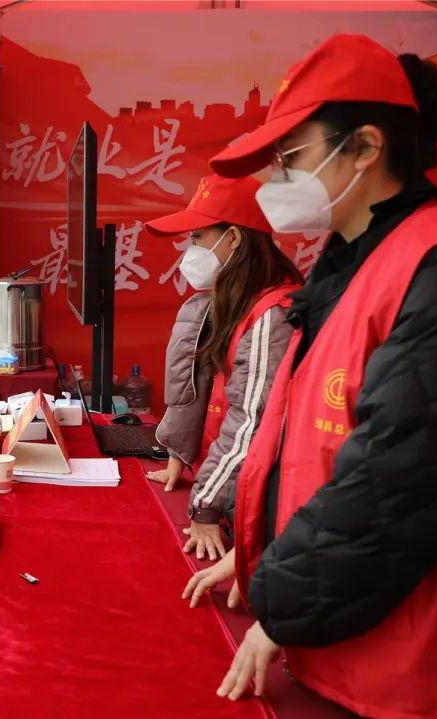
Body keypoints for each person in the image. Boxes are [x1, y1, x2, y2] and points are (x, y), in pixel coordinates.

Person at [183, 35, 437, 718]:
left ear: (367, 147)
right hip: (354, 640)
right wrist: (258, 557)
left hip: (425, 668)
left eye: (291, 159)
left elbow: (397, 480)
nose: (275, 182)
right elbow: (312, 446)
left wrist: (281, 603)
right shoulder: (348, 261)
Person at [143, 175, 301, 561]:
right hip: (216, 481)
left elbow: (253, 422)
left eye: (197, 237)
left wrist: (207, 505)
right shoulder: (226, 300)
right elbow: (197, 390)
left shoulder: (272, 314)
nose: (189, 251)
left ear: (233, 238)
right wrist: (180, 453)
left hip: (245, 504)